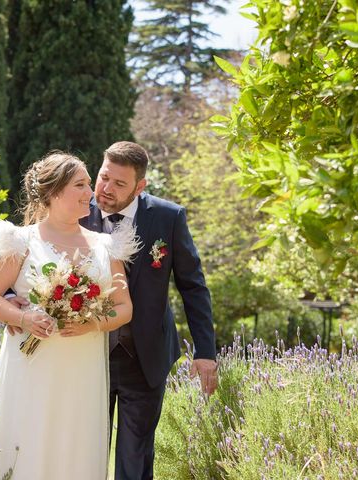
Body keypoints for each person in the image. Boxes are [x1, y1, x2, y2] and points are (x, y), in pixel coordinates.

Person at [0, 152, 137, 480]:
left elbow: (124, 307)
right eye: (80, 184)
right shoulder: (20, 241)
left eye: (89, 183)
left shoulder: (107, 246)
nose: (90, 192)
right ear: (53, 192)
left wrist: (92, 322)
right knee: (27, 442)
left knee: (75, 445)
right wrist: (23, 319)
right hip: (31, 368)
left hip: (82, 368)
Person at [81, 141, 217, 480]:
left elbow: (193, 287)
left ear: (140, 186)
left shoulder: (169, 218)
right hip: (86, 354)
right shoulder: (77, 211)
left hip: (144, 357)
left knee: (135, 458)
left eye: (119, 183)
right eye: (103, 178)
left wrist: (205, 351)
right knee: (85, 453)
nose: (106, 189)